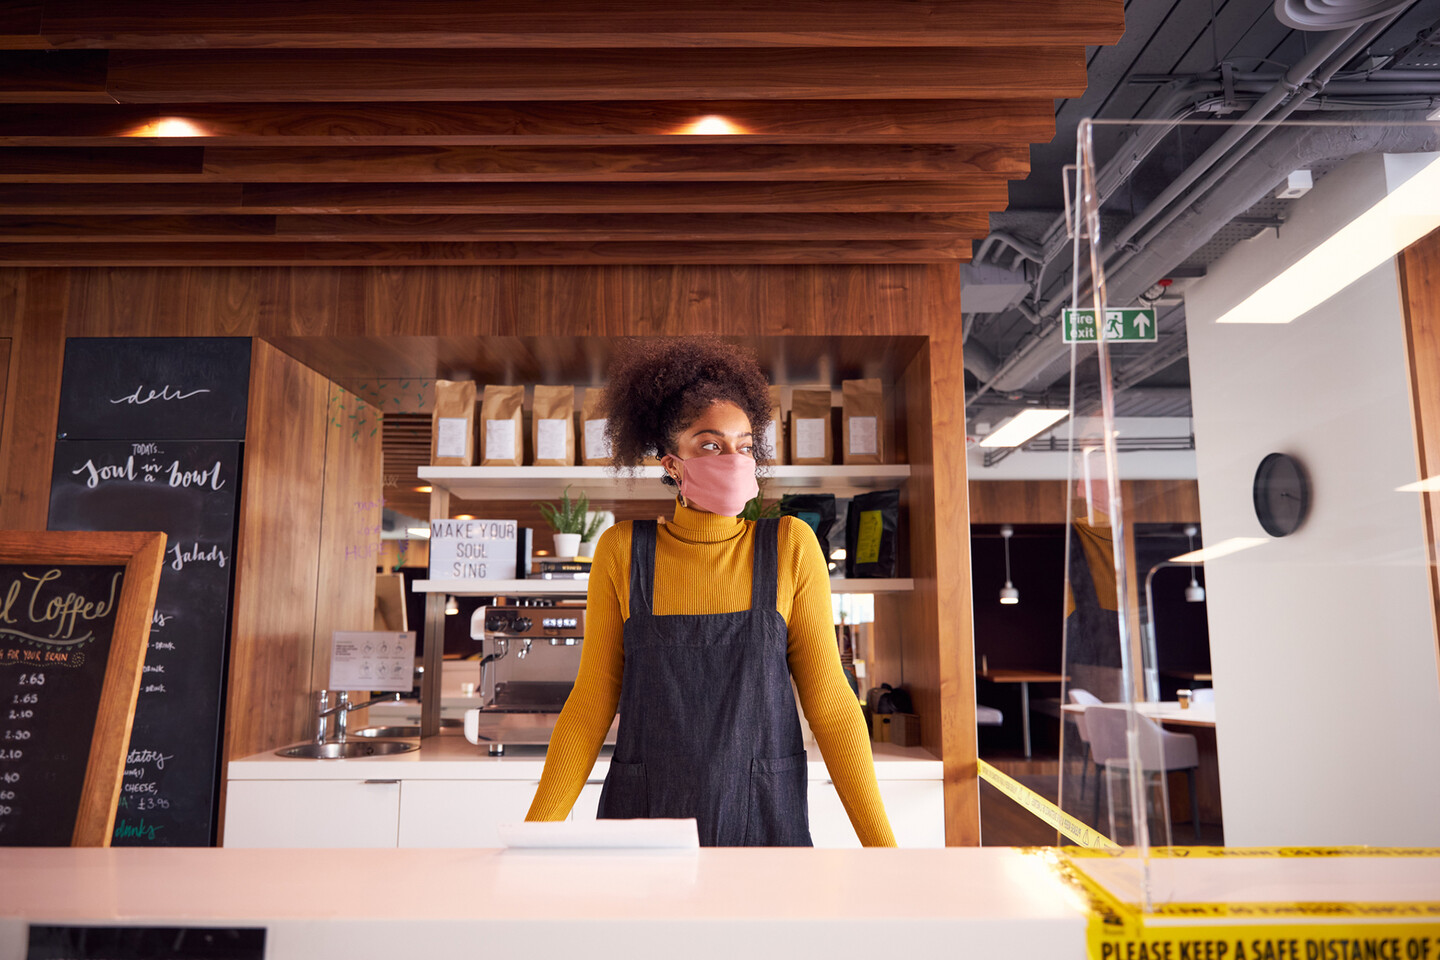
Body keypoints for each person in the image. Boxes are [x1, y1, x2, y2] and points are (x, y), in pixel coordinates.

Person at [525, 337, 896, 847]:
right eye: (710, 444)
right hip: (645, 820)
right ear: (669, 463)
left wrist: (884, 849)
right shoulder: (622, 550)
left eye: (744, 445)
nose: (733, 458)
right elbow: (591, 702)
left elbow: (831, 703)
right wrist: (532, 838)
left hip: (763, 814)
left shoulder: (790, 545)